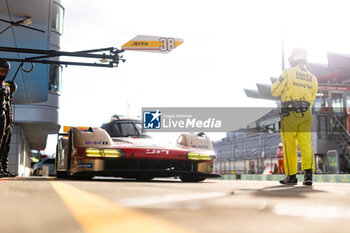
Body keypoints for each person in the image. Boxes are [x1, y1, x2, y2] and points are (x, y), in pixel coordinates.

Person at [271, 48, 318, 186]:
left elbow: (274, 91)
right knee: (306, 144)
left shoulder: (288, 73)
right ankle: (308, 176)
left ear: (293, 59)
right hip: (306, 114)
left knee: (289, 146)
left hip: (289, 115)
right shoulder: (313, 78)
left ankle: (291, 176)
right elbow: (312, 98)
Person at [0, 59, 14, 177]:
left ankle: (1, 167)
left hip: (2, 117)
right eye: (0, 71)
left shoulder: (6, 88)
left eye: (4, 71)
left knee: (2, 144)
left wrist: (8, 120)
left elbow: (8, 106)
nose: (2, 74)